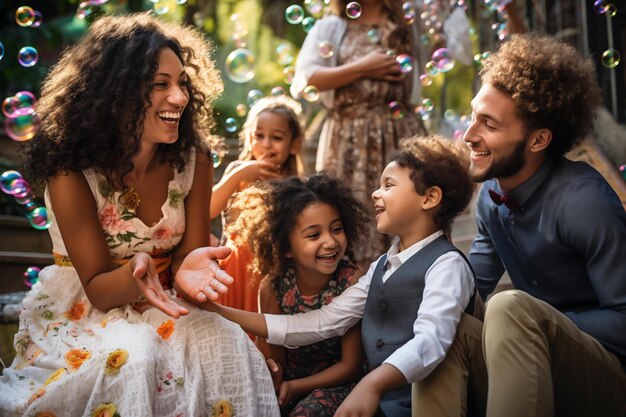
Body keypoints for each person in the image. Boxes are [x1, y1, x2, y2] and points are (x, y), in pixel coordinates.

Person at [0, 13, 279, 416]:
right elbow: (98, 287)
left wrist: (186, 269)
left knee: (227, 342)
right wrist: (141, 268)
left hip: (164, 300)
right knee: (136, 356)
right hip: (87, 307)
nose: (180, 97)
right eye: (160, 85)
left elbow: (189, 256)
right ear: (117, 94)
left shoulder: (193, 159)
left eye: (182, 83)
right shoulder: (72, 171)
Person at [200, 135, 485, 417]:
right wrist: (218, 311)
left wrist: (372, 383)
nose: (375, 193)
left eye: (389, 185)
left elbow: (431, 341)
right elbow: (322, 322)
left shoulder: (447, 264)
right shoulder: (381, 267)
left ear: (430, 197)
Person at [465, 33, 626, 417]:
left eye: (489, 124)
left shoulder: (583, 201)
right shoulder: (491, 197)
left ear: (538, 139)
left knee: (507, 308)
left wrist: (542, 324)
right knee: (449, 325)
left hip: (607, 375)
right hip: (533, 357)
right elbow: (468, 289)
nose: (469, 136)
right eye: (473, 117)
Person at [290, 0, 428, 263]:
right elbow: (306, 79)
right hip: (349, 141)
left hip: (400, 135)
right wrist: (364, 67)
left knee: (409, 217)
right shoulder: (333, 26)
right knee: (353, 219)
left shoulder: (409, 21)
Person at [225, 174, 370, 416]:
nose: (330, 242)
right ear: (286, 247)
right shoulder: (272, 288)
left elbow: (351, 365)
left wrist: (296, 387)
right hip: (288, 387)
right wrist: (274, 375)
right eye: (314, 235)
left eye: (336, 229)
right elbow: (276, 357)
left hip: (340, 385)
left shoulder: (351, 281)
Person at [211, 95, 304, 313]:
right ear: (249, 138)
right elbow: (209, 209)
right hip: (234, 266)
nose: (266, 144)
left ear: (294, 145)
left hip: (274, 271)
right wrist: (239, 174)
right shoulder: (239, 172)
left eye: (277, 138)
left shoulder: (297, 184)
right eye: (259, 136)